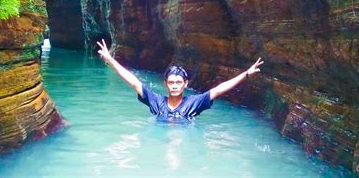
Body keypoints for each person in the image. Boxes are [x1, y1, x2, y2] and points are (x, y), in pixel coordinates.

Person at [97, 39, 264, 120]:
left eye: (178, 82)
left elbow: (220, 89)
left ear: (185, 84)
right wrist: (111, 60)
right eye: (171, 82)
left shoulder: (194, 102)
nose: (175, 86)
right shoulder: (156, 101)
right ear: (165, 84)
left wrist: (246, 74)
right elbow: (133, 81)